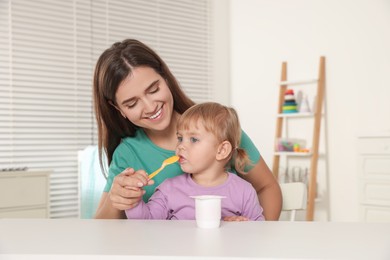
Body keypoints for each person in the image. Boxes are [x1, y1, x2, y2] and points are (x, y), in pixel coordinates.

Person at [93, 39, 282, 220]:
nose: (150, 107)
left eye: (153, 90)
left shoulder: (218, 128)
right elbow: (103, 230)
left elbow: (267, 187)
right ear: (119, 109)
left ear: (165, 78)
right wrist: (116, 198)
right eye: (132, 103)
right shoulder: (128, 153)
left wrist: (256, 238)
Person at [125, 102, 264, 221]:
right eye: (180, 138)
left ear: (222, 150)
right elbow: (146, 223)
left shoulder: (244, 192)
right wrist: (133, 201)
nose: (180, 146)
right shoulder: (169, 189)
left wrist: (243, 225)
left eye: (193, 139)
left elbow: (257, 233)